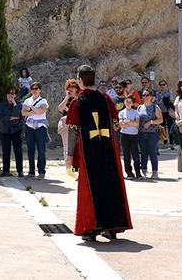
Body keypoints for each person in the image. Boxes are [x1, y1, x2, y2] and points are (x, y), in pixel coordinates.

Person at [65, 65, 133, 243]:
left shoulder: (77, 102)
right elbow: (117, 124)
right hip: (108, 150)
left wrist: (69, 155)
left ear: (80, 80)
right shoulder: (105, 99)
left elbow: (73, 130)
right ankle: (111, 227)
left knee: (89, 188)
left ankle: (90, 229)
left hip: (88, 152)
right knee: (111, 185)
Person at [22, 82, 50, 180]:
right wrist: (35, 111)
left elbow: (41, 111)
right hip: (29, 127)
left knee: (41, 150)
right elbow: (23, 113)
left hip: (41, 127)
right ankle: (31, 171)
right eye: (33, 88)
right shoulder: (27, 100)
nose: (34, 90)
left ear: (40, 90)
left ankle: (41, 171)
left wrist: (31, 109)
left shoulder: (43, 100)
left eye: (36, 88)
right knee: (30, 150)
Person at [0, 86, 25, 177]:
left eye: (13, 93)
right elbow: (1, 117)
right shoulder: (2, 104)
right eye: (9, 93)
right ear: (6, 94)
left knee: (18, 151)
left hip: (16, 130)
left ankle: (20, 171)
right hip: (4, 131)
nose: (10, 95)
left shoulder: (19, 104)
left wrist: (14, 103)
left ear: (15, 95)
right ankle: (6, 171)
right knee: (6, 151)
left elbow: (19, 115)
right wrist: (11, 118)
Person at [138, 89, 163, 179]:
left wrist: (151, 122)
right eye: (143, 95)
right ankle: (143, 170)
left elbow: (160, 120)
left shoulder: (155, 107)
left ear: (151, 97)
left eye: (147, 95)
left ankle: (155, 171)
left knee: (152, 152)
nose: (145, 97)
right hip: (141, 133)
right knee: (143, 152)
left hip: (152, 133)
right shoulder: (140, 107)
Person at [116, 96, 142, 180]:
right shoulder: (121, 113)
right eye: (126, 101)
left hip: (134, 135)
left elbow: (137, 124)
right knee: (126, 155)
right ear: (124, 102)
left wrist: (127, 122)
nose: (128, 103)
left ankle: (138, 172)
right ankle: (129, 173)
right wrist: (131, 122)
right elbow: (121, 125)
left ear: (132, 103)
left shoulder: (135, 112)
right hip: (124, 135)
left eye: (130, 102)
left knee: (135, 155)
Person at [57, 79, 80, 157]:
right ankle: (68, 167)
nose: (71, 88)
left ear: (77, 88)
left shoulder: (80, 99)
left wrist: (68, 110)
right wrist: (67, 97)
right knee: (66, 147)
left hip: (77, 126)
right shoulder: (66, 99)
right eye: (69, 87)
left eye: (73, 86)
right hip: (66, 125)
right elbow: (60, 108)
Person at [156, 78, 176, 149]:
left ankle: (171, 143)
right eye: (161, 85)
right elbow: (158, 102)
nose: (162, 86)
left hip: (169, 112)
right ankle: (165, 142)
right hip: (161, 112)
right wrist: (164, 100)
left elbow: (171, 100)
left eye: (164, 84)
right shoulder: (158, 93)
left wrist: (163, 101)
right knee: (162, 128)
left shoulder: (169, 92)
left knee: (170, 127)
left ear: (166, 85)